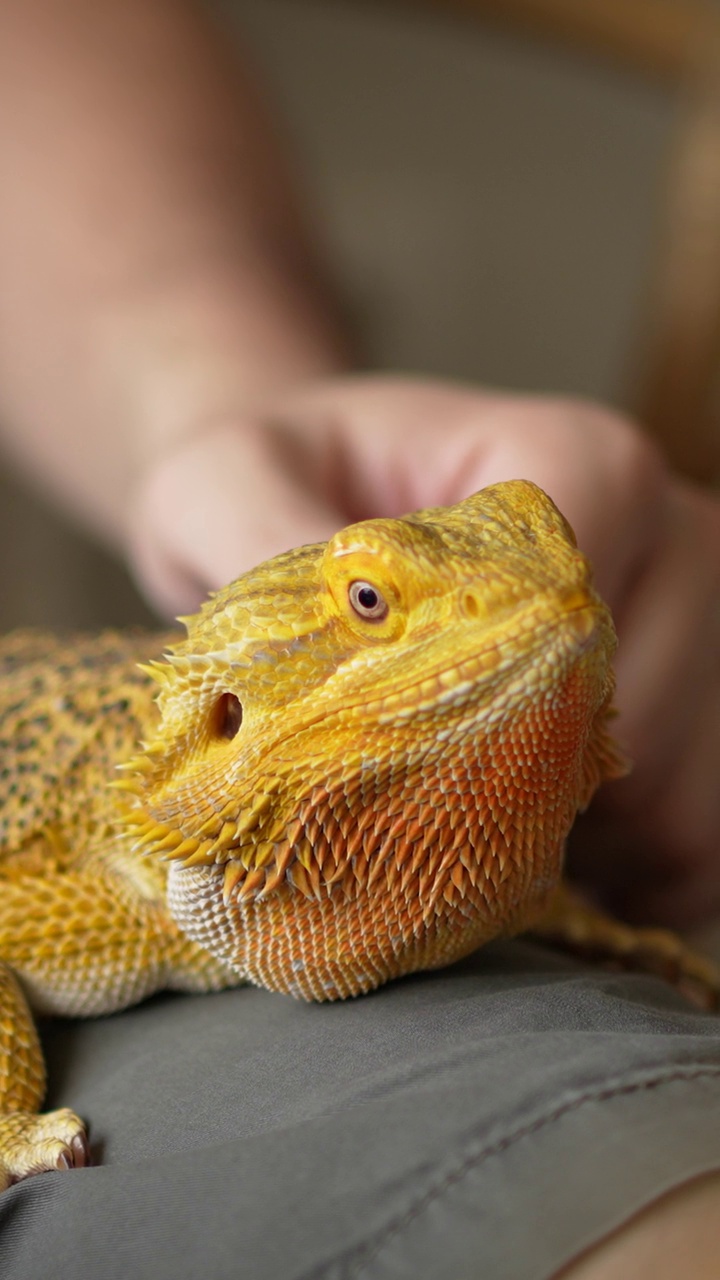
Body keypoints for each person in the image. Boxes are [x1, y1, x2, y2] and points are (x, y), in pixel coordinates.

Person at [0, 2, 718, 1277]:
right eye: (373, 611)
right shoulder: (108, 893)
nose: (556, 609)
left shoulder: (382, 804)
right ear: (226, 719)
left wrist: (249, 409)